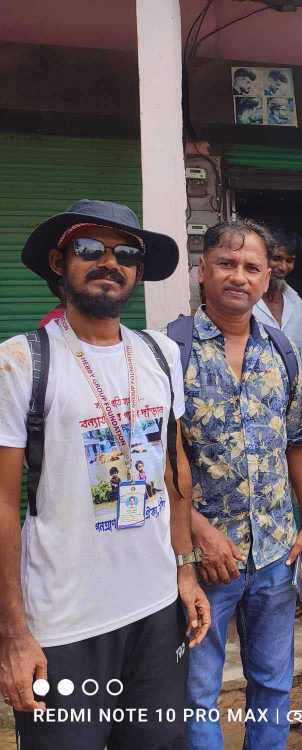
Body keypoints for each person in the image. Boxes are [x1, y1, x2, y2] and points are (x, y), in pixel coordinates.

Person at [0, 199, 209, 746]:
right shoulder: (22, 362)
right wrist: (13, 634)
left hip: (157, 613)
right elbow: (3, 505)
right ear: (58, 261)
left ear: (138, 272)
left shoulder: (161, 354)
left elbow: (174, 473)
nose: (108, 263)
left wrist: (185, 573)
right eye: (89, 249)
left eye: (126, 254)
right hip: (65, 627)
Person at [179, 220, 302, 750]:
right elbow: (161, 459)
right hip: (204, 558)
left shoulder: (280, 351)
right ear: (203, 270)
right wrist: (195, 532)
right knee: (197, 689)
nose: (239, 276)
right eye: (227, 264)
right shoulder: (173, 350)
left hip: (274, 552)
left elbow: (297, 443)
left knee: (273, 682)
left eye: (251, 267)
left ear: (266, 279)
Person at [254, 228, 302, 356]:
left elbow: (301, 351)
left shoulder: (296, 302)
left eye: (289, 261)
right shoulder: (246, 301)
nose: (283, 267)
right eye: (277, 258)